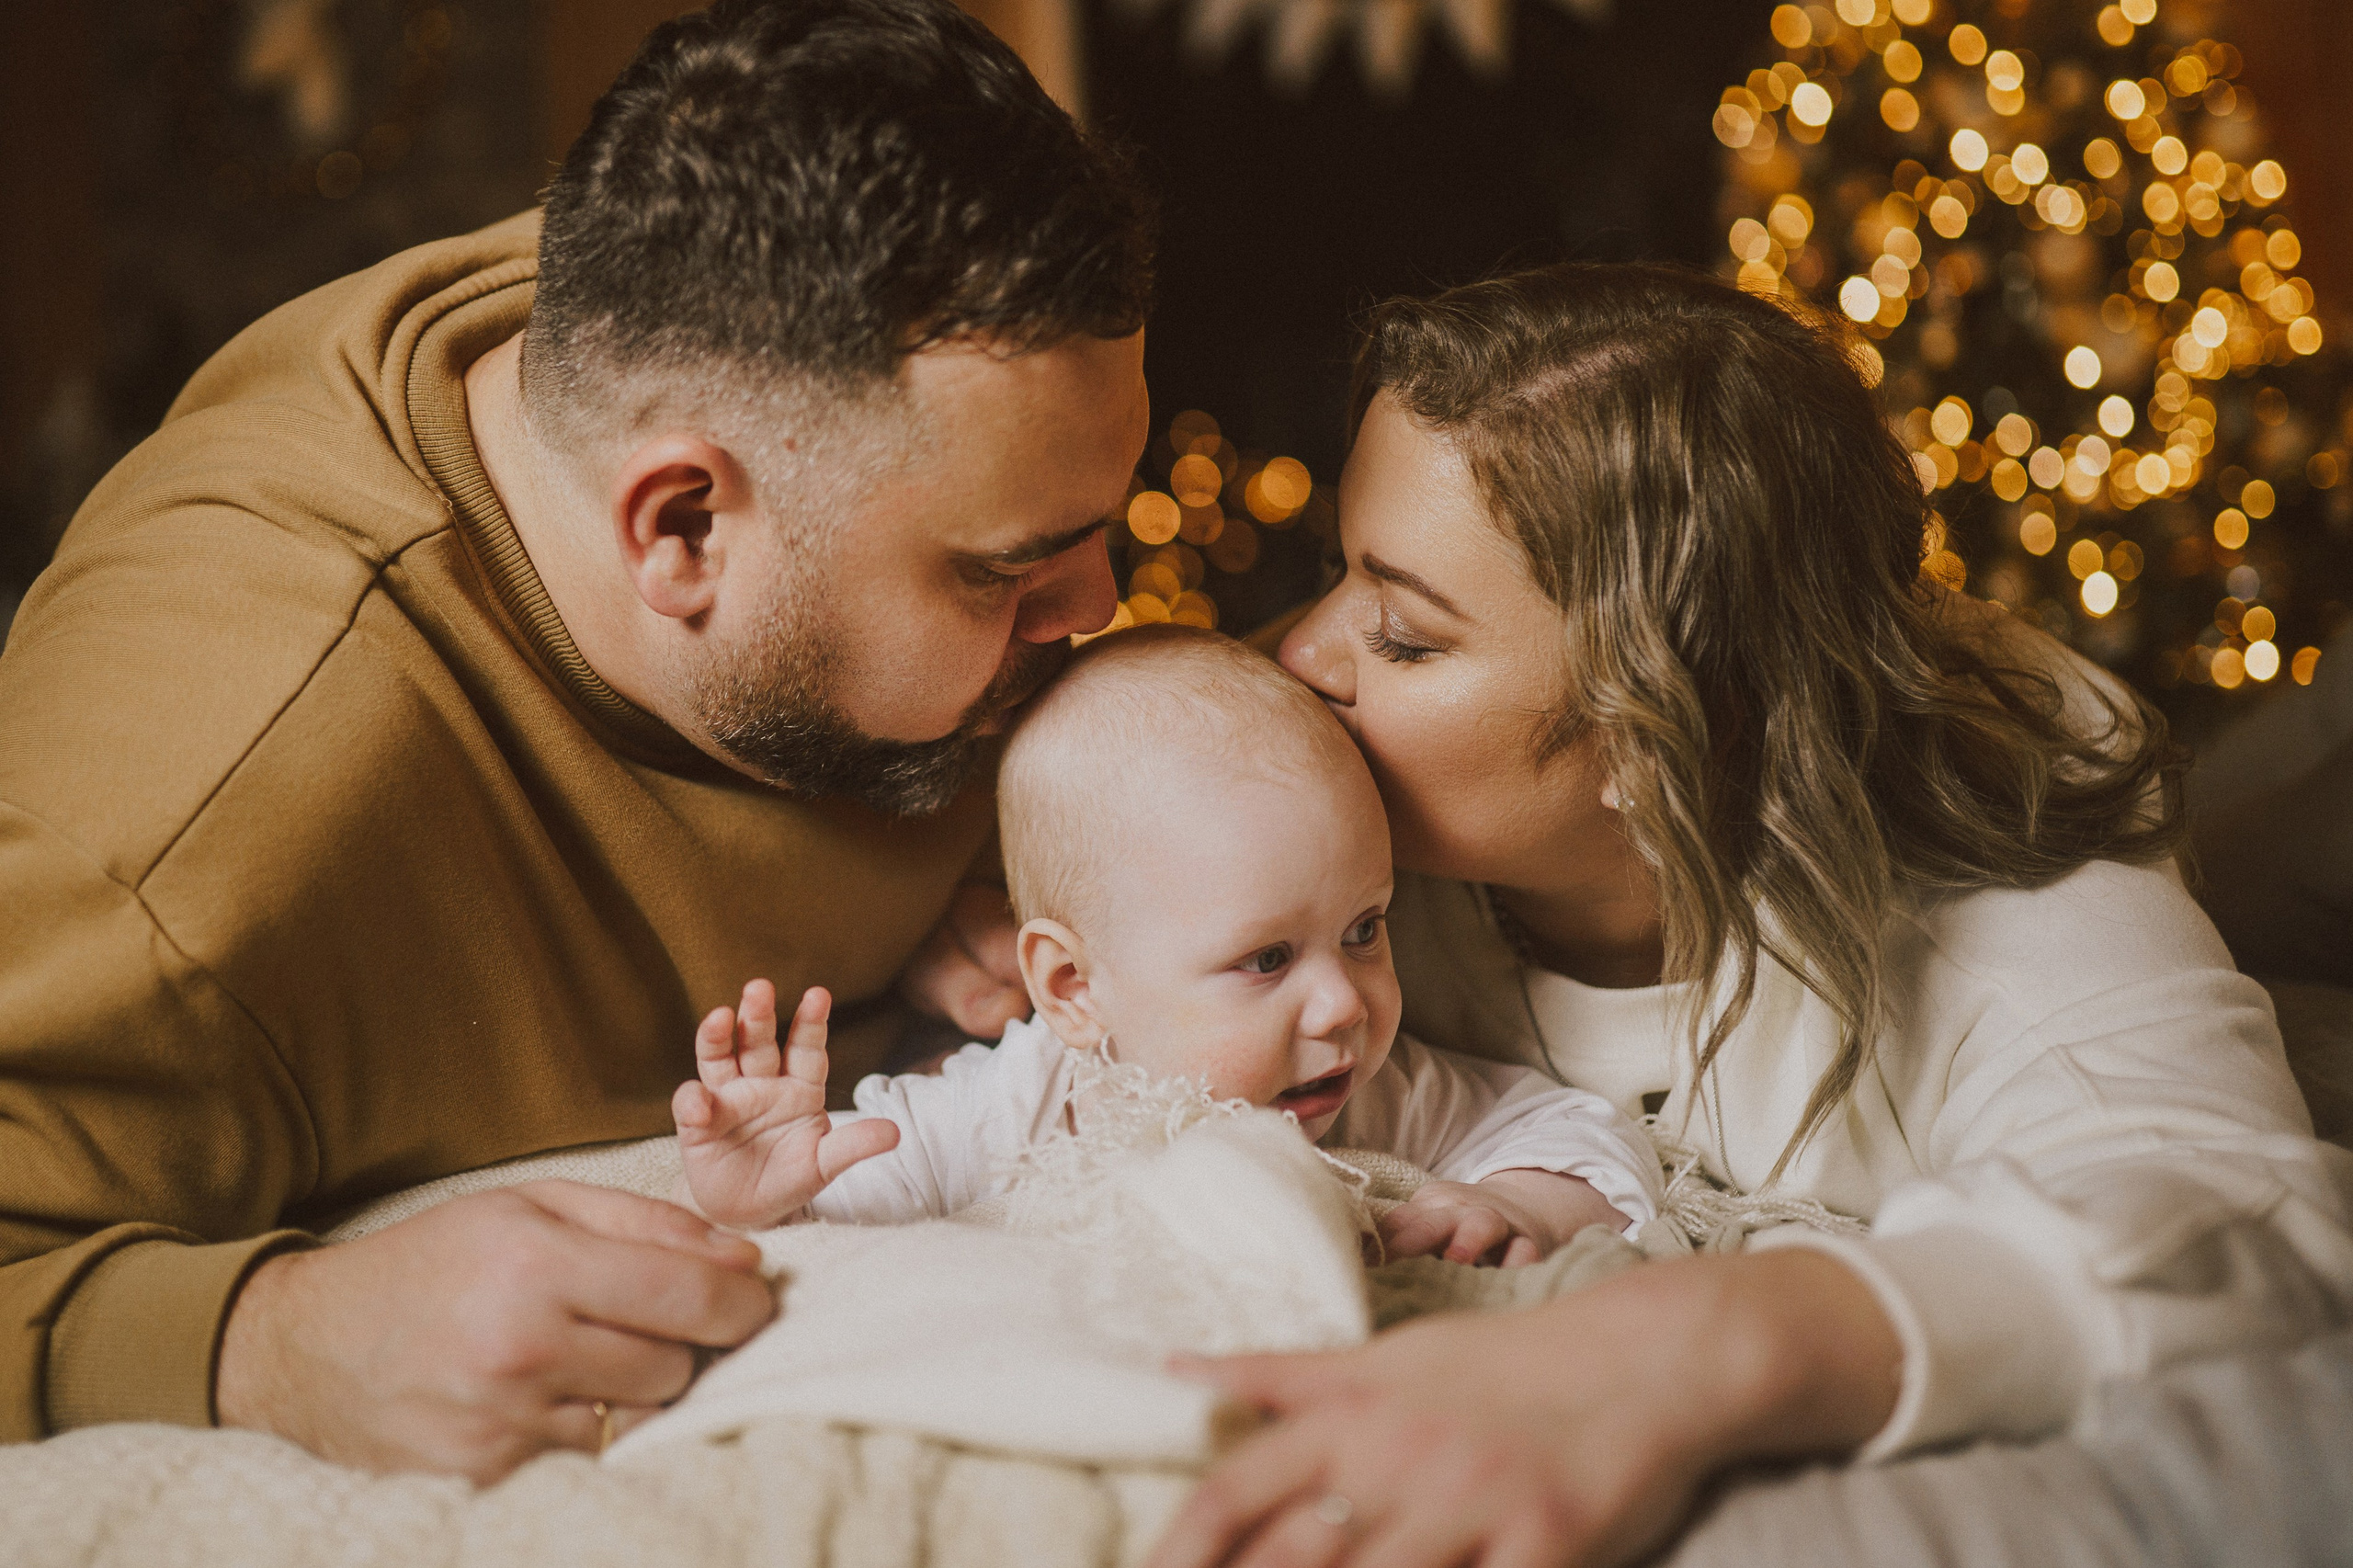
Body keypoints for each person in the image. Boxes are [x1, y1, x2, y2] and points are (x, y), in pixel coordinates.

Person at [0, 0, 1152, 1483]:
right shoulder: (202, 836)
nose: (1101, 607)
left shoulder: (726, 331)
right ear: (678, 528)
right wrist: (268, 1340)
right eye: (1003, 571)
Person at [1125, 265, 2353, 1568]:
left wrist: (1699, 1342)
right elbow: (1090, 769)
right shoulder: (1314, 769)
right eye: (1336, 570)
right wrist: (987, 894)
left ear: (1661, 731)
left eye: (1407, 637)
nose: (1302, 655)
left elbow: (2255, 1221)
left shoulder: (2003, 917)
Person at [666, 626, 1663, 1257]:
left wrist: (1520, 1207)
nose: (1344, 1003)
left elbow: (1577, 1133)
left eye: (1363, 929)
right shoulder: (1003, 1109)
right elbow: (853, 1235)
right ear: (1072, 986)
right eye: (1267, 958)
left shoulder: (1375, 1089)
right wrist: (769, 1196)